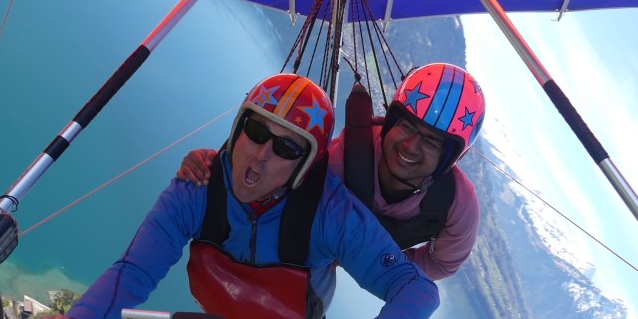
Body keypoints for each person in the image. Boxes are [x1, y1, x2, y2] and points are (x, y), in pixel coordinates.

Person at [16, 73, 438, 319]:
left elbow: (417, 290)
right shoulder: (198, 186)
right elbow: (135, 272)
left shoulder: (333, 215)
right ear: (237, 131)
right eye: (256, 132)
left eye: (287, 148)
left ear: (305, 166)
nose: (261, 154)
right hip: (219, 302)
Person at [178, 63, 484, 281]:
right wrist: (215, 166)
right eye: (406, 126)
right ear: (390, 121)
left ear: (449, 159)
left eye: (431, 142)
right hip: (312, 250)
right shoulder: (340, 161)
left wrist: (380, 262)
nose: (411, 146)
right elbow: (267, 182)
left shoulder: (456, 207)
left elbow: (442, 264)